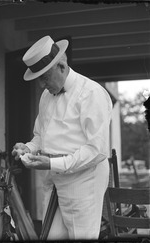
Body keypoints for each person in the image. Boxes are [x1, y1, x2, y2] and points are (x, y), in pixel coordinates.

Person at [12, 36, 112, 240]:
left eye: (44, 77)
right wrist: (28, 148)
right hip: (55, 183)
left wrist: (52, 163)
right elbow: (40, 136)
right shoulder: (46, 96)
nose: (41, 85)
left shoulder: (92, 93)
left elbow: (97, 150)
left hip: (84, 184)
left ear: (61, 66)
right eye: (38, 79)